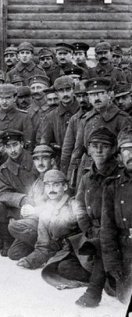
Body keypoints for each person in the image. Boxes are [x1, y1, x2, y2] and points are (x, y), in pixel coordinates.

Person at [73, 127, 120, 307]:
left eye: (105, 146)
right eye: (95, 146)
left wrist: (103, 232)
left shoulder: (119, 175)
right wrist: (87, 228)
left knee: (103, 244)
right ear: (89, 149)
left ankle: (93, 292)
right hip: (91, 232)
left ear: (113, 149)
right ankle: (107, 278)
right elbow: (79, 205)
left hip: (115, 234)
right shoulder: (86, 177)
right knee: (63, 268)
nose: (99, 151)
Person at [16, 171, 88, 288]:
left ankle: (97, 279)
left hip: (79, 251)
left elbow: (86, 227)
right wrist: (31, 260)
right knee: (60, 267)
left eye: (55, 185)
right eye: (48, 185)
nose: (51, 189)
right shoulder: (45, 210)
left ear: (64, 187)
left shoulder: (74, 204)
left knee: (64, 267)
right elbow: (43, 245)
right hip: (62, 253)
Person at [68, 78, 131, 187]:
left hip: (113, 173)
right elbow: (77, 151)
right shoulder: (85, 119)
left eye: (100, 94)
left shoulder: (122, 119)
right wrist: (70, 177)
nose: (96, 98)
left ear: (109, 95)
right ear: (88, 98)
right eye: (92, 95)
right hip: (88, 172)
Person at [101, 126, 132, 304]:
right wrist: (112, 264)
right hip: (126, 251)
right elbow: (107, 229)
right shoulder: (112, 186)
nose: (131, 154)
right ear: (119, 156)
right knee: (125, 298)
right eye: (127, 149)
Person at [7, 144, 55, 260]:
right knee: (14, 254)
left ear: (52, 161)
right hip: (36, 222)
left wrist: (34, 211)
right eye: (37, 159)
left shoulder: (55, 179)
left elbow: (56, 207)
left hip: (50, 225)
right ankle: (40, 246)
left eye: (44, 158)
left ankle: (50, 248)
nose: (40, 162)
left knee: (13, 226)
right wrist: (26, 209)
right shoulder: (38, 180)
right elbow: (32, 200)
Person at [0, 130, 38, 256]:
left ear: (22, 144)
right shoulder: (3, 170)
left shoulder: (36, 161)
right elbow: (1, 194)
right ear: (4, 148)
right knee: (14, 254)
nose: (12, 150)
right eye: (8, 146)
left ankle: (43, 245)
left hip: (40, 209)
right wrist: (22, 199)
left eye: (15, 145)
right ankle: (7, 241)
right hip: (22, 210)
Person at [0, 84, 33, 163]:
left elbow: (29, 143)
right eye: (1, 98)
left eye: (8, 98)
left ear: (15, 98)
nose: (4, 101)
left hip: (19, 160)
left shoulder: (24, 117)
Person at [40, 75, 79, 148]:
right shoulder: (50, 117)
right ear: (56, 93)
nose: (65, 94)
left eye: (68, 89)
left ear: (73, 89)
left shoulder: (84, 111)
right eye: (61, 91)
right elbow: (45, 143)